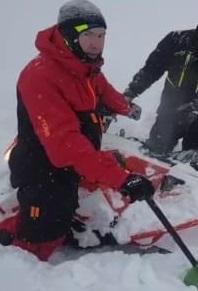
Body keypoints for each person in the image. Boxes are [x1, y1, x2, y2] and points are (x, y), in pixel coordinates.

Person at [0, 0, 156, 262]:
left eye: (101, 35)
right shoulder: (40, 76)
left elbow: (103, 91)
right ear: (70, 36)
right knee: (42, 240)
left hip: (73, 159)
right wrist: (121, 179)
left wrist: (126, 108)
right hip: (44, 168)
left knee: (80, 201)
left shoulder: (84, 67)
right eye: (87, 35)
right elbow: (64, 145)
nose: (96, 43)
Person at [123, 0, 198, 155]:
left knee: (192, 169)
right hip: (170, 113)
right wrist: (131, 92)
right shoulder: (176, 40)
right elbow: (151, 70)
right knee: (152, 157)